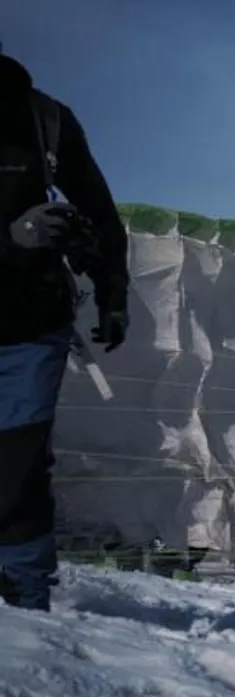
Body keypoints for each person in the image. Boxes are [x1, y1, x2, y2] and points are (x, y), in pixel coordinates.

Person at [0, 54, 128, 611]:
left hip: (32, 326)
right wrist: (11, 240)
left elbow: (98, 212)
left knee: (19, 463)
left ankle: (24, 601)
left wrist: (113, 293)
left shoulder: (44, 119)